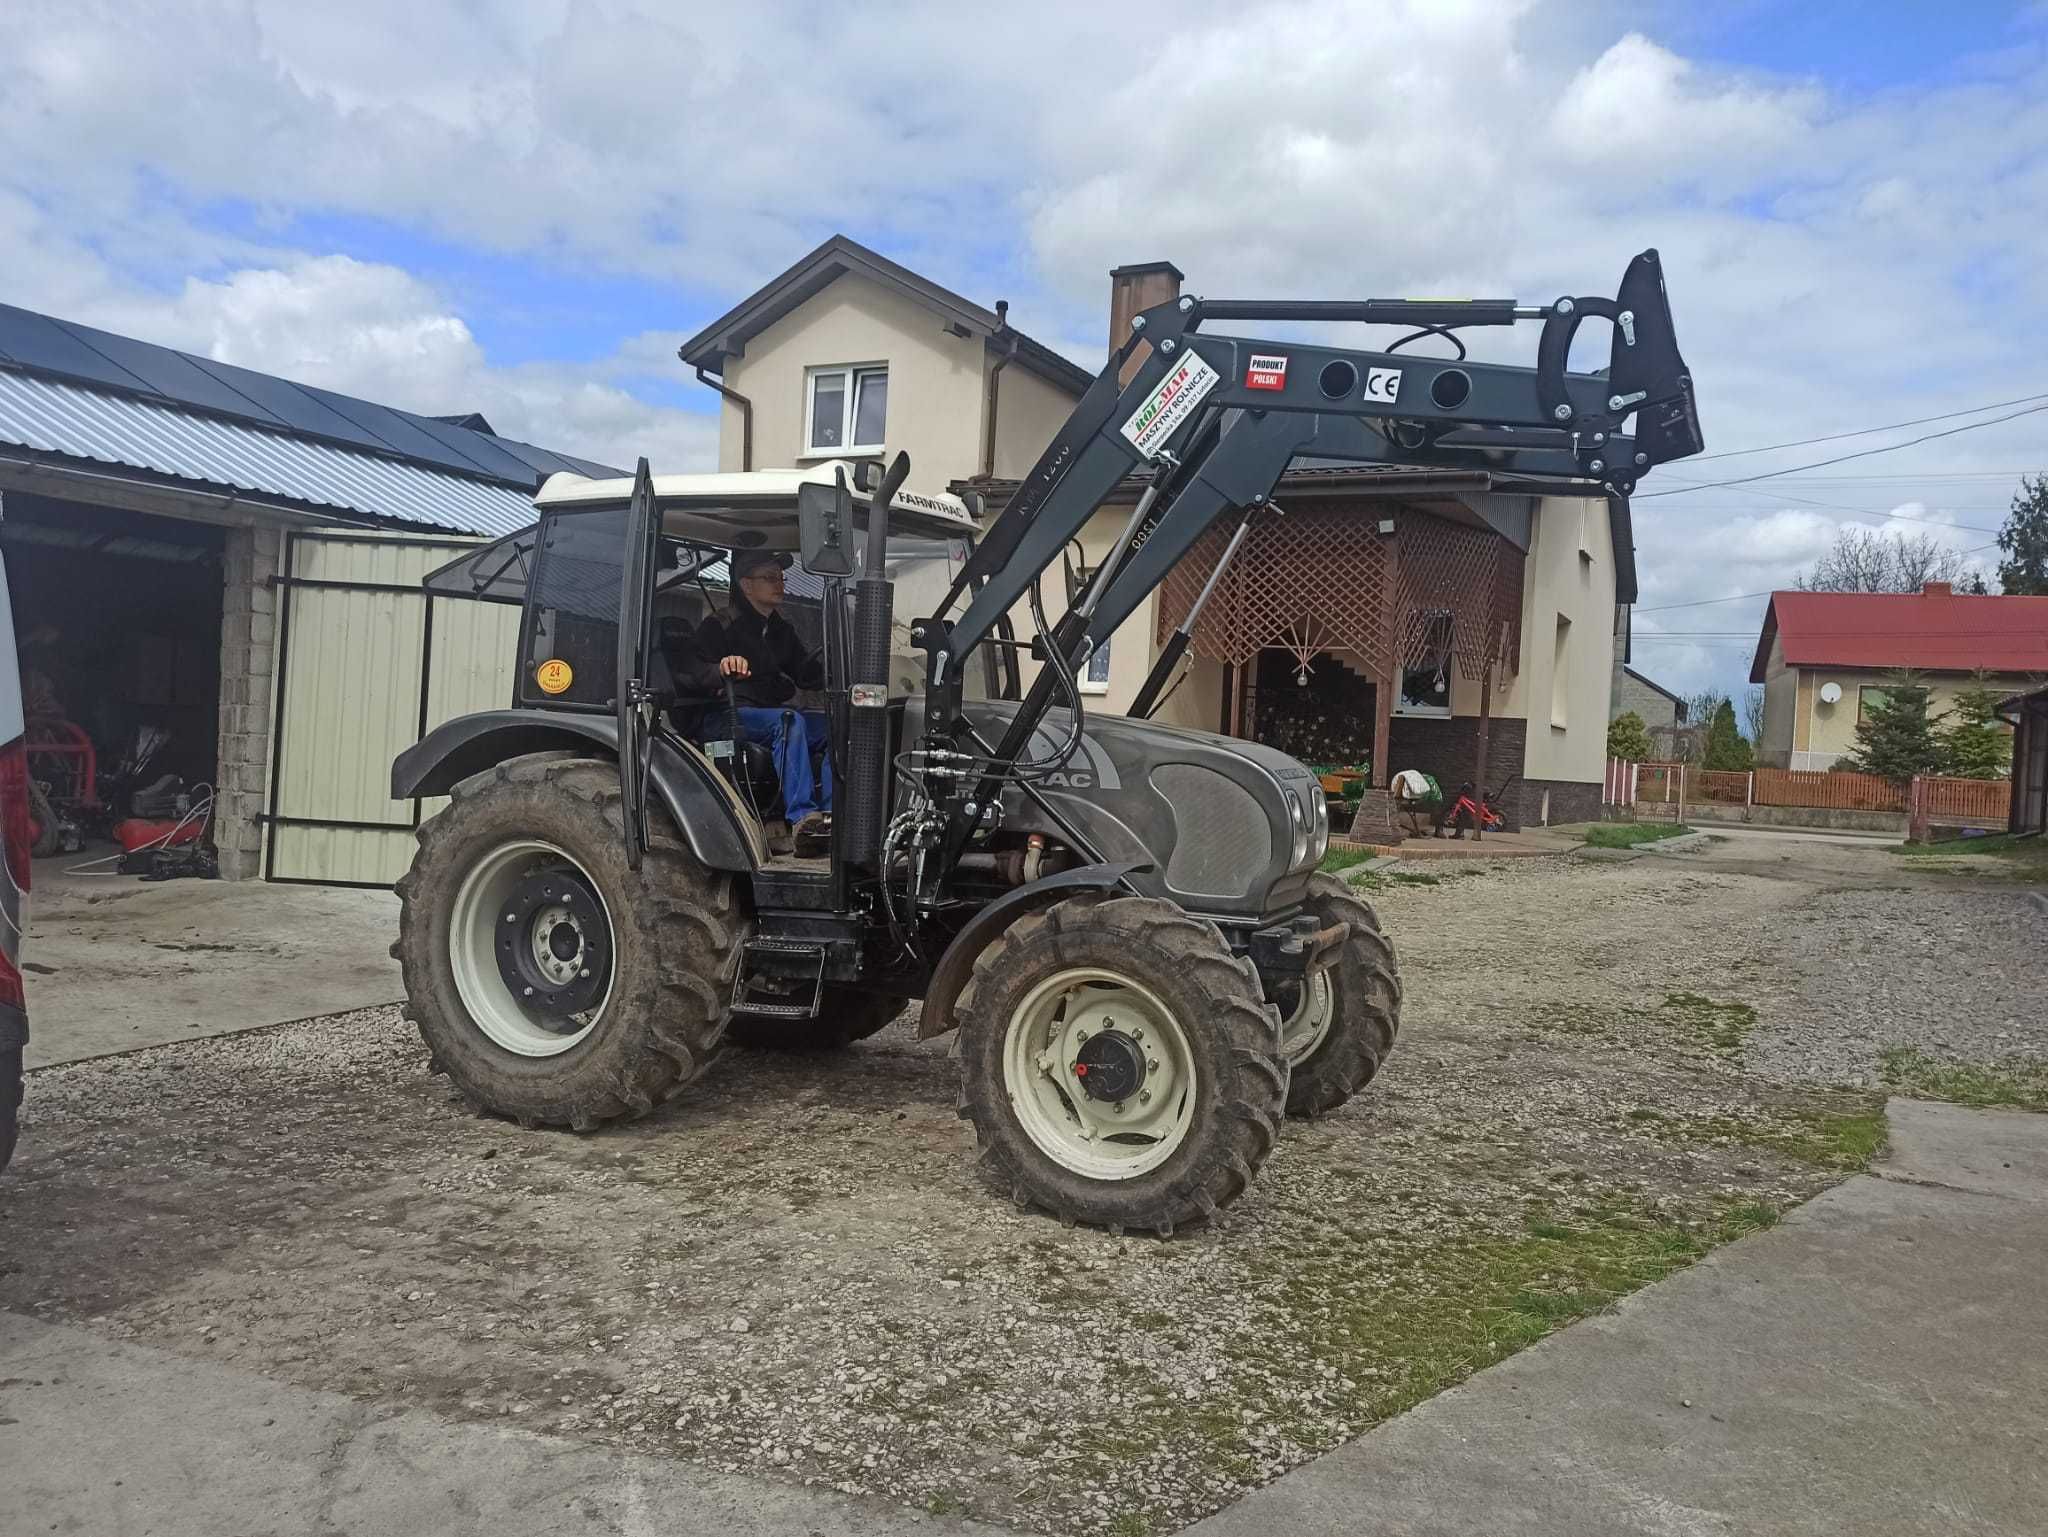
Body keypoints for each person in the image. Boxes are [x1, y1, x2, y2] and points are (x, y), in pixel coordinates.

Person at [689, 551, 832, 853]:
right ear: (746, 585)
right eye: (769, 578)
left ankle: (831, 817)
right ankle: (804, 817)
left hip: (768, 714)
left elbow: (804, 674)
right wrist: (722, 667)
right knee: (789, 721)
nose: (779, 583)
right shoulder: (719, 625)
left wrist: (832, 667)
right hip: (726, 715)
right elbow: (695, 672)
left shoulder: (780, 629)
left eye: (781, 577)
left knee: (837, 728)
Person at [1390, 767, 1442, 839]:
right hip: (1405, 794)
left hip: (1406, 794)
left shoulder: (1423, 782)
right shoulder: (1424, 782)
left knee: (1399, 812)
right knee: (1396, 813)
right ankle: (1397, 832)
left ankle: (1410, 832)